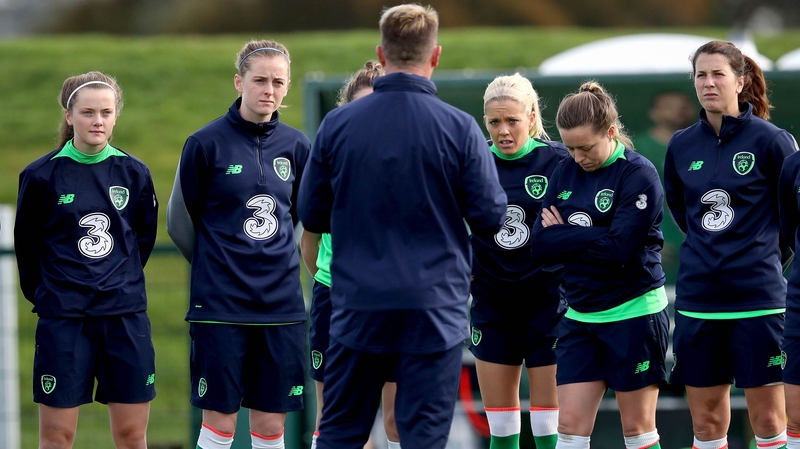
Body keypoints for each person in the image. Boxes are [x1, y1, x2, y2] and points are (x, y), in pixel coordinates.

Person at [297, 4, 507, 448]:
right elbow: (491, 216)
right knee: (422, 438)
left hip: (358, 308)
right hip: (433, 310)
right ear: (435, 55)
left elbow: (312, 214)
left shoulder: (338, 125)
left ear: (381, 53)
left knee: (339, 433)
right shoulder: (459, 128)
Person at [167, 39, 310, 449]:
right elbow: (179, 221)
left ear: (287, 86)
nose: (269, 89)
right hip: (220, 307)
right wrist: (216, 264)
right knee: (221, 422)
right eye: (260, 80)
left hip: (280, 307)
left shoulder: (298, 146)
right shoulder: (205, 143)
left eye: (278, 82)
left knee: (270, 424)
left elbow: (301, 218)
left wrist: (277, 259)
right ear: (238, 82)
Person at [15, 71, 158, 449]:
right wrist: (53, 296)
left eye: (106, 112)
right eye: (88, 112)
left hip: (124, 317)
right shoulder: (41, 176)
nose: (98, 121)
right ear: (69, 115)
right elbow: (27, 249)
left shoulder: (134, 173)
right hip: (65, 319)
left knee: (132, 436)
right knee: (57, 437)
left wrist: (119, 283)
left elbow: (141, 240)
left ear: (116, 115)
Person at [665, 40, 796, 449]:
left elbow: (792, 220)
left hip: (759, 301)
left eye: (717, 74)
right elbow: (684, 215)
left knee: (768, 420)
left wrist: (759, 260)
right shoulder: (681, 145)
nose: (708, 83)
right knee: (706, 424)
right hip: (698, 301)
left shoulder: (772, 141)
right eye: (700, 75)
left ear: (739, 82)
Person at [530, 81, 668, 449]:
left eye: (586, 147)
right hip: (580, 315)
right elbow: (540, 244)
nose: (577, 157)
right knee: (569, 426)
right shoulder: (564, 170)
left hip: (634, 312)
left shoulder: (638, 174)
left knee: (637, 428)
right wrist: (601, 233)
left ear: (609, 132)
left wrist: (565, 235)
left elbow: (618, 251)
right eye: (570, 147)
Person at [299, 60, 402, 449]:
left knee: (396, 418)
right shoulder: (329, 164)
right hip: (336, 298)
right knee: (333, 417)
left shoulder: (410, 164)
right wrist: (331, 278)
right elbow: (309, 241)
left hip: (395, 300)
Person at [468, 73, 567, 449]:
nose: (503, 131)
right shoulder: (471, 161)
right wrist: (464, 268)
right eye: (494, 122)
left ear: (531, 116)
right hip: (492, 304)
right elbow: (443, 220)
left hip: (549, 303)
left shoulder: (559, 160)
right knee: (502, 429)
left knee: (548, 429)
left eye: (512, 120)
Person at [632, 91, 696, 282]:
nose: (678, 111)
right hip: (657, 245)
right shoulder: (637, 148)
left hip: (696, 244)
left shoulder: (703, 145)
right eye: (669, 106)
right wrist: (643, 241)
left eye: (684, 106)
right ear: (654, 113)